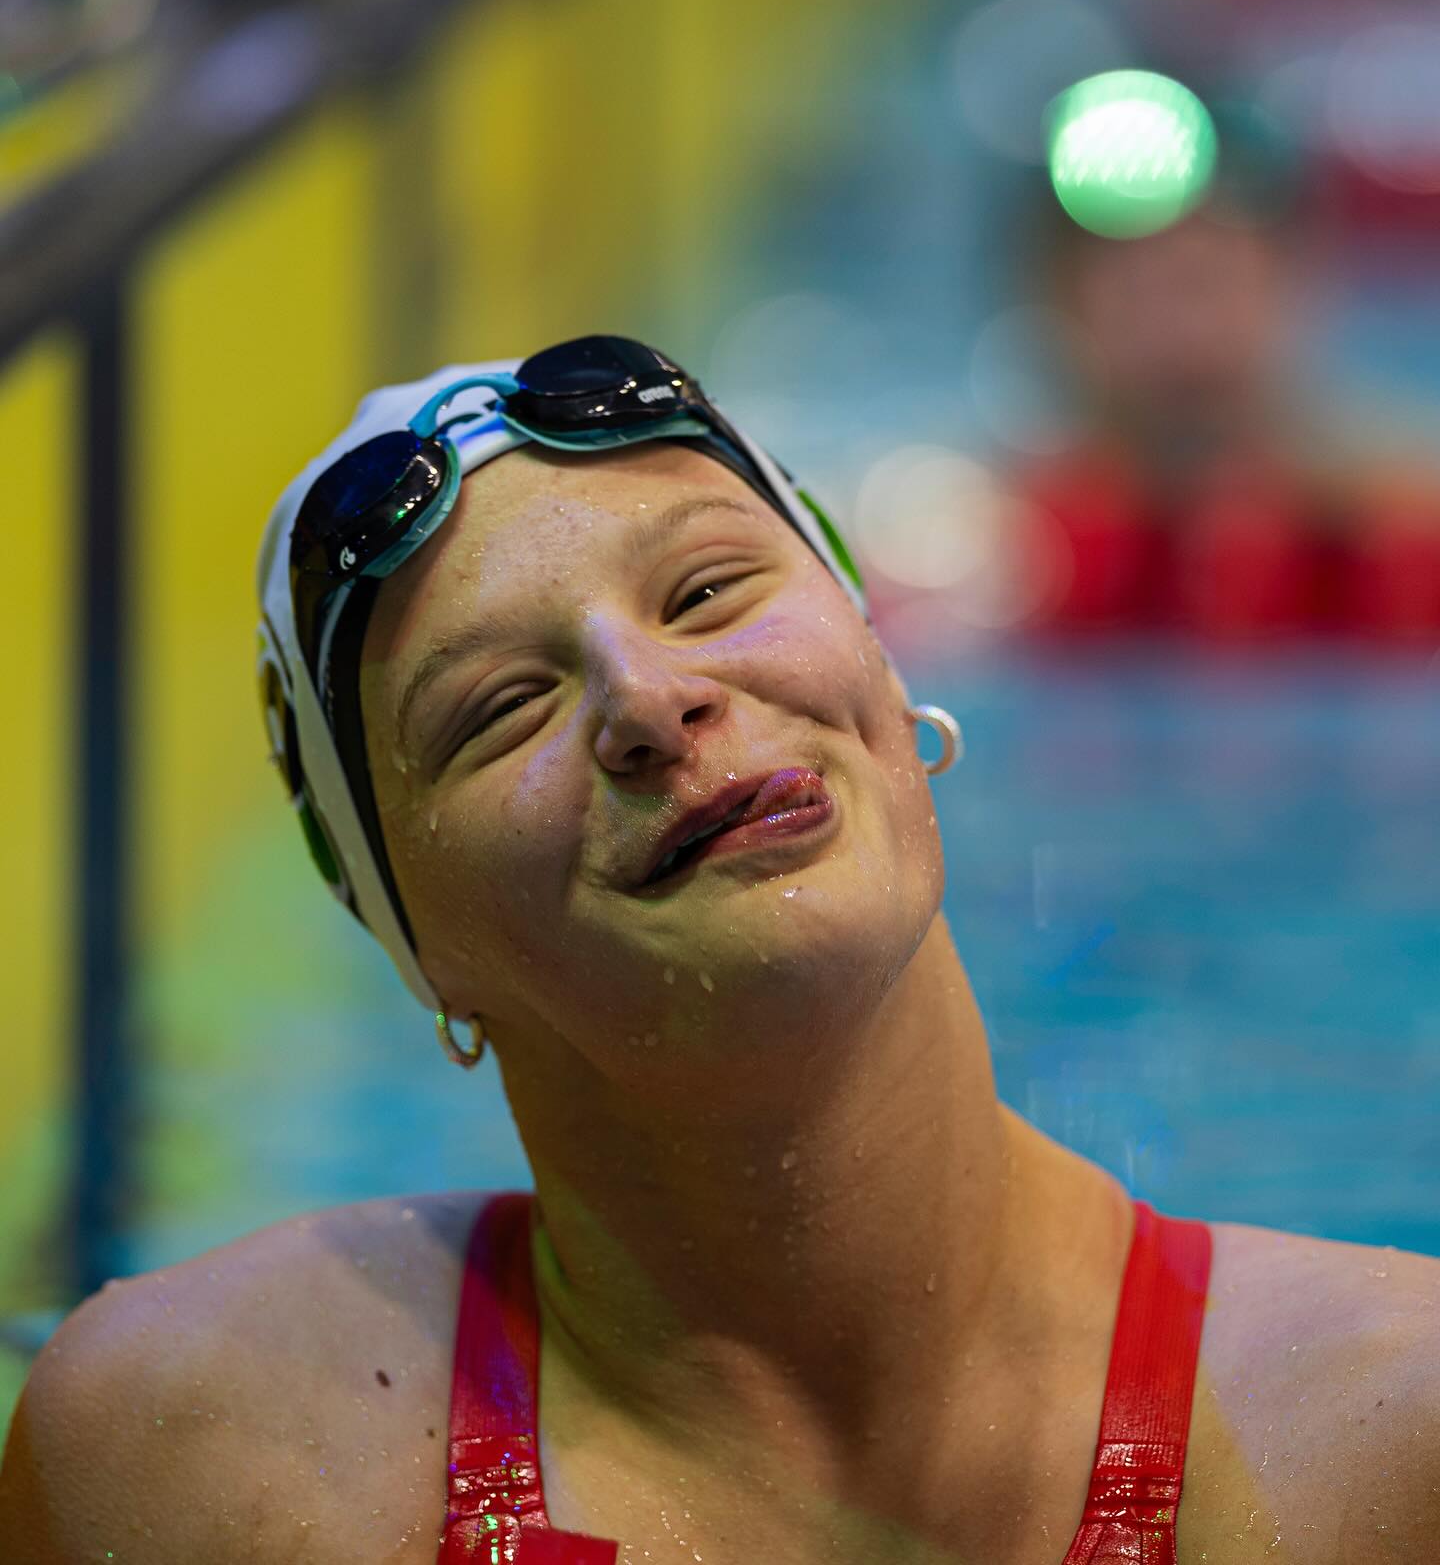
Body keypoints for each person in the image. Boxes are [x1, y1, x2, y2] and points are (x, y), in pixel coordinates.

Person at [2, 335, 1436, 1563]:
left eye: (707, 593)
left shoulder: (1385, 1445)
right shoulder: (201, 1465)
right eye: (499, 708)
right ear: (415, 944)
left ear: (884, 675)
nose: (650, 697)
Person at [1015, 126, 1440, 643]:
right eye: (1145, 290)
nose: (1186, 329)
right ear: (1066, 304)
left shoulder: (1396, 526)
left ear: (1296, 289)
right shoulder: (1002, 545)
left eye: (1208, 283)